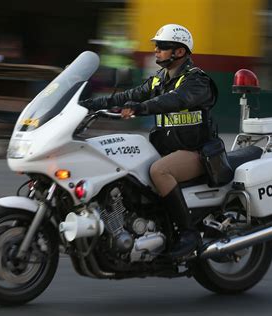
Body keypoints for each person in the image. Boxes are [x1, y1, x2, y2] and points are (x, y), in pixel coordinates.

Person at [83, 24, 218, 259]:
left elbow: (175, 100)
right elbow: (128, 96)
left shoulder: (197, 81)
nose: (156, 50)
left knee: (159, 171)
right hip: (167, 149)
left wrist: (140, 108)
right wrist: (88, 104)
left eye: (162, 47)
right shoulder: (159, 79)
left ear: (179, 52)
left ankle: (188, 233)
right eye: (156, 46)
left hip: (195, 152)